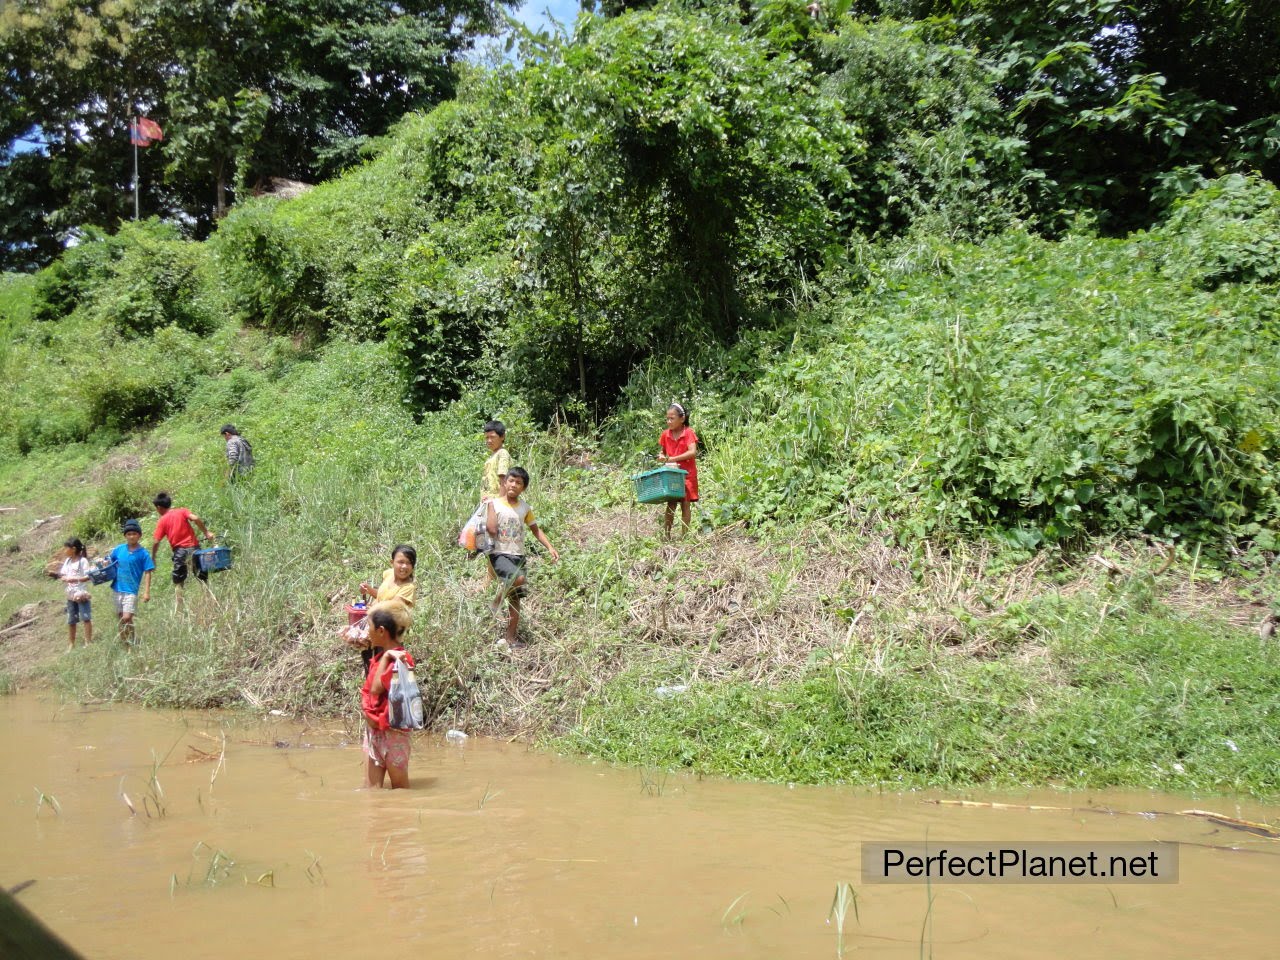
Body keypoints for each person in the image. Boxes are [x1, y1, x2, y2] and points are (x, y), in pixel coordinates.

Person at [485, 466, 559, 648]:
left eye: (519, 483)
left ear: (523, 488)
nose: (514, 485)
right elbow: (491, 529)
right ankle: (496, 602)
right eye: (511, 480)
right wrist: (489, 507)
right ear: (505, 482)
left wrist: (549, 546)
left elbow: (535, 530)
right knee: (518, 578)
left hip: (518, 555)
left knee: (516, 599)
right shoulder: (493, 503)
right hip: (499, 553)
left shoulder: (525, 508)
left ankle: (510, 638)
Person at [357, 601, 415, 789]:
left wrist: (388, 656)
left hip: (394, 735)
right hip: (375, 731)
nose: (367, 632)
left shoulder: (399, 659)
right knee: (371, 790)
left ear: (381, 631)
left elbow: (375, 689)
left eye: (369, 627)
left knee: (400, 790)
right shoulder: (383, 656)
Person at [150, 491, 213, 608]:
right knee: (202, 577)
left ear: (159, 507)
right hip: (195, 548)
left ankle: (180, 609)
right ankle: (209, 602)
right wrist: (206, 532)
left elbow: (156, 541)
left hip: (180, 552)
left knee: (179, 581)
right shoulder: (182, 511)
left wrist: (153, 558)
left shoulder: (162, 521)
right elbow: (195, 518)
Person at [344, 545, 417, 644]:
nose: (404, 566)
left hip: (389, 636)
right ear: (392, 562)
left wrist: (369, 609)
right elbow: (383, 596)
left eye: (409, 563)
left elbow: (390, 608)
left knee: (383, 657)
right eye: (400, 562)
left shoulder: (408, 588)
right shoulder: (389, 574)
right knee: (368, 655)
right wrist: (369, 590)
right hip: (374, 628)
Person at [109, 519, 154, 644]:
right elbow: (109, 561)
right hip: (117, 588)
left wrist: (146, 592)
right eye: (129, 534)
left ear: (139, 535)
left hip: (131, 590)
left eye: (134, 534)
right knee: (120, 618)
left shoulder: (143, 554)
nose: (131, 536)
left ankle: (132, 640)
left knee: (127, 617)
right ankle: (125, 643)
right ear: (125, 536)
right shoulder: (119, 549)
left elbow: (148, 572)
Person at [658, 402, 699, 536]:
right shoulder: (665, 434)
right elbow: (662, 452)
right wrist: (662, 457)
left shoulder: (688, 433)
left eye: (672, 418)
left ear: (682, 418)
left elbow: (692, 452)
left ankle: (684, 535)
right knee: (671, 503)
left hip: (687, 474)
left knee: (685, 504)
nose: (669, 421)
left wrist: (671, 459)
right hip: (672, 474)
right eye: (667, 419)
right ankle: (666, 534)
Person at [59, 538, 93, 649]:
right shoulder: (67, 561)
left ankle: (88, 642)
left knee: (86, 618)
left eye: (66, 548)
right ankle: (71, 644)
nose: (64, 551)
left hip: (81, 593)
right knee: (71, 620)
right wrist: (65, 578)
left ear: (73, 549)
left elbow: (88, 577)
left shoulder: (83, 561)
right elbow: (63, 574)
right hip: (70, 595)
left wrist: (75, 579)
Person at [481, 420, 511, 502]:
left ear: (502, 437)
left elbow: (504, 480)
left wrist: (500, 503)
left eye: (492, 437)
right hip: (488, 502)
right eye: (487, 437)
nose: (489, 440)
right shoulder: (491, 457)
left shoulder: (502, 453)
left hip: (496, 503)